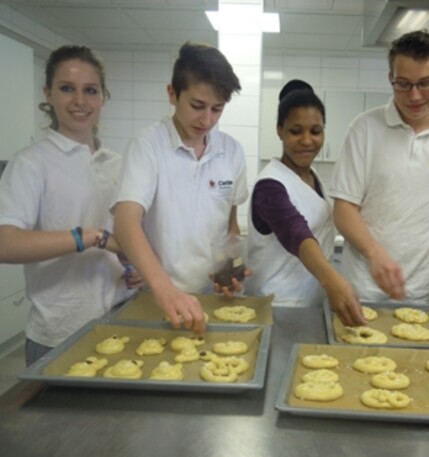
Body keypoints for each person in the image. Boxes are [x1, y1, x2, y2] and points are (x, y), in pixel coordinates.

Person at [329, 30, 429, 319]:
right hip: (362, 293)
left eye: (425, 83)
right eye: (403, 84)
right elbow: (344, 209)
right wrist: (375, 253)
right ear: (391, 79)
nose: (414, 96)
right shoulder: (364, 129)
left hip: (426, 296)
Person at [0, 45, 139, 366]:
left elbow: (130, 237)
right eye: (67, 88)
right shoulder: (32, 163)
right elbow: (5, 242)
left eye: (90, 90)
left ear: (103, 97)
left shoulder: (118, 164)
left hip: (121, 319)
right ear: (48, 93)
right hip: (58, 334)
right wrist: (90, 237)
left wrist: (137, 269)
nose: (80, 100)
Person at [112, 42, 248, 334]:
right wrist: (166, 290)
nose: (207, 120)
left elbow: (230, 227)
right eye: (197, 106)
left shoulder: (232, 152)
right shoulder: (148, 145)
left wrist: (227, 272)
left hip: (209, 302)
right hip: (156, 301)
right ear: (172, 94)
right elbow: (125, 223)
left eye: (217, 109)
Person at [245, 80, 365, 326]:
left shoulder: (313, 177)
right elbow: (295, 231)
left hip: (309, 306)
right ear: (279, 130)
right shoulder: (270, 185)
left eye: (315, 131)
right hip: (277, 309)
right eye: (295, 131)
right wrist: (333, 280)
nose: (307, 140)